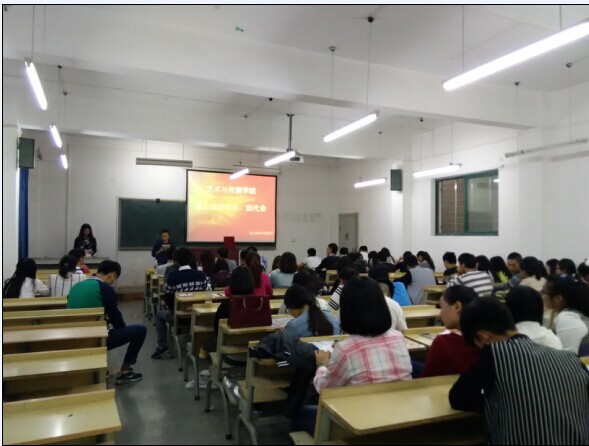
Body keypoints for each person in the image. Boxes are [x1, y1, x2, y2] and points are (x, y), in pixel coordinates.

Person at [449, 298, 589, 445]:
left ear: (484, 337)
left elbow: (458, 398)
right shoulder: (570, 358)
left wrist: (497, 400)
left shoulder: (495, 354)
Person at [314, 276, 412, 390]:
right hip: (402, 399)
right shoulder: (399, 338)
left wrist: (321, 364)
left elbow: (324, 388)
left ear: (347, 310)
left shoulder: (345, 349)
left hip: (364, 401)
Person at [67, 260, 146, 385]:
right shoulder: (106, 289)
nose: (113, 282)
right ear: (112, 275)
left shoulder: (76, 286)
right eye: (114, 279)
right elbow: (117, 322)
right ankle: (124, 372)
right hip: (95, 339)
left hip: (71, 338)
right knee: (140, 330)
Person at [151, 248, 210, 359]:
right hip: (199, 317)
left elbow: (168, 299)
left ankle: (162, 346)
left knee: (159, 314)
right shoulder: (201, 275)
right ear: (191, 259)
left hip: (179, 317)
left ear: (176, 261)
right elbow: (208, 293)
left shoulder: (173, 277)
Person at [420, 286, 480, 378]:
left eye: (442, 307)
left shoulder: (443, 343)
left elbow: (425, 381)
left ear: (457, 307)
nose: (440, 314)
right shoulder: (489, 339)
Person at [543, 276, 589, 355]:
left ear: (558, 298)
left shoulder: (568, 319)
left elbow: (565, 357)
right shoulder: (574, 315)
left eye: (544, 292)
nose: (542, 296)